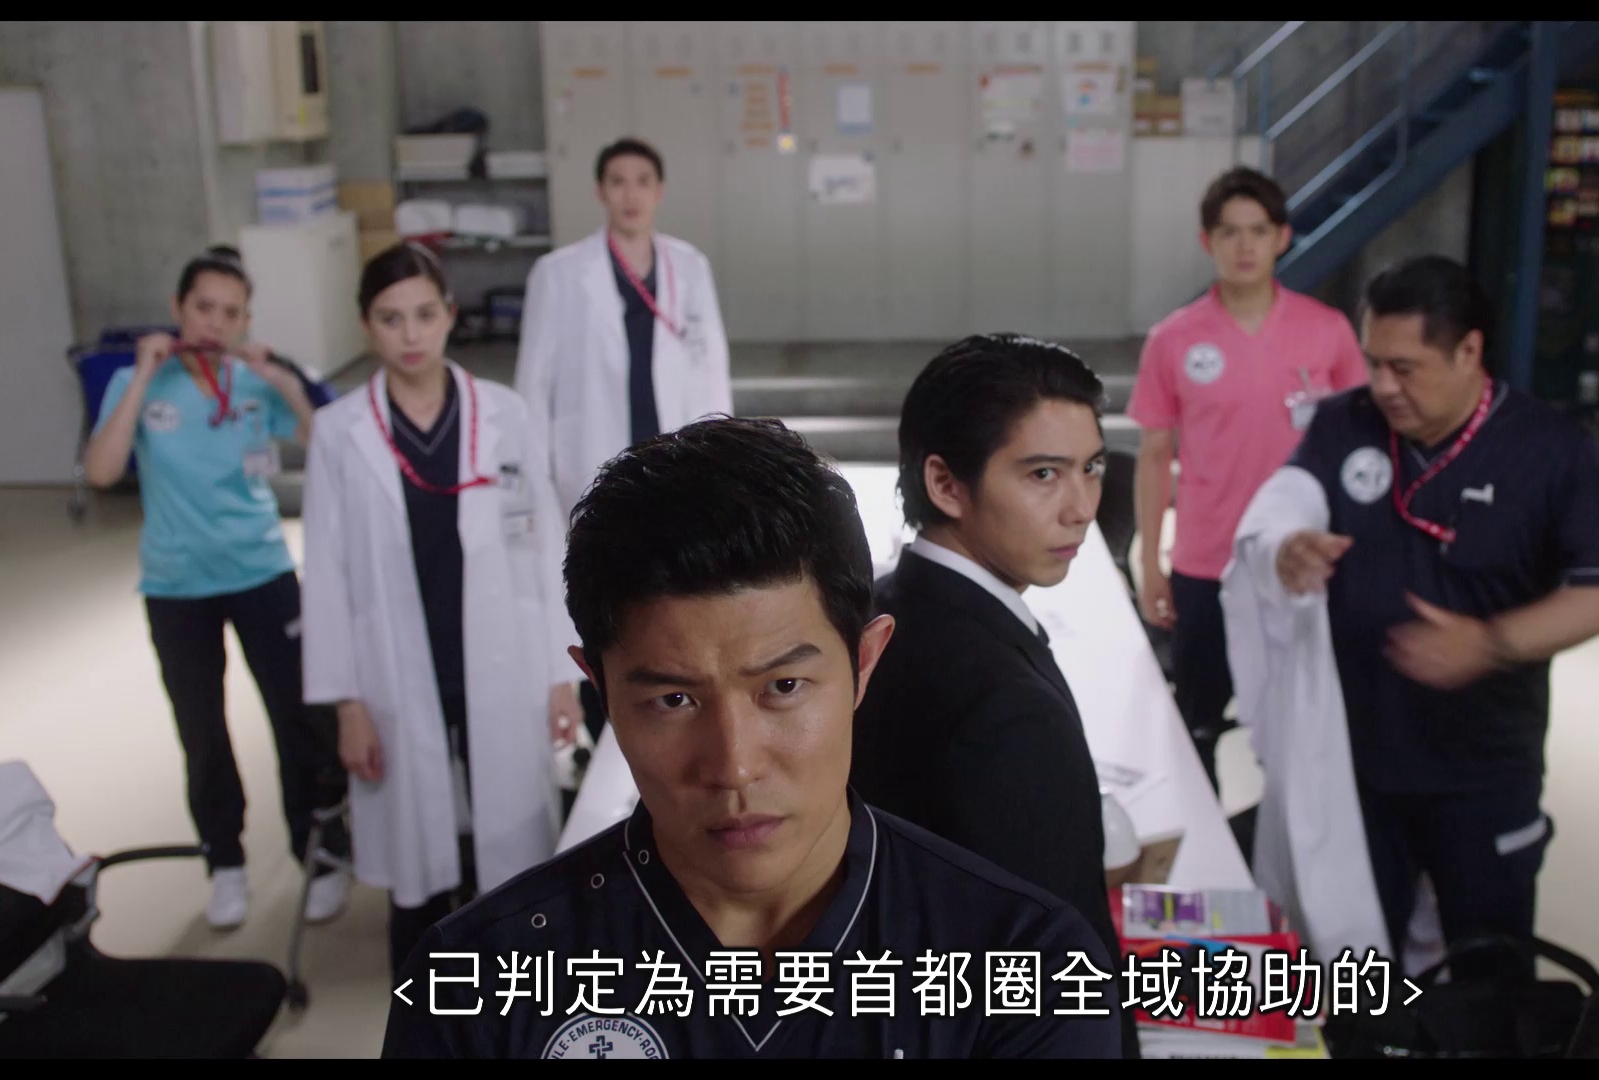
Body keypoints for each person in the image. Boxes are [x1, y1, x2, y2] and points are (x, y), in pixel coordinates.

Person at [381, 418, 1123, 1059]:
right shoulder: (476, 984)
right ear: (600, 689)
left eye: (784, 688)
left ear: (863, 665)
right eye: (673, 699)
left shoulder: (1027, 969)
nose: (734, 765)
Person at [1270, 255, 1599, 969]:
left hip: (1481, 773)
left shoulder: (1550, 451)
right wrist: (1283, 545)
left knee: (1487, 968)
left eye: (1404, 368)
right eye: (1374, 363)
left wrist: (1492, 642)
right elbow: (1286, 499)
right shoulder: (1346, 423)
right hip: (1358, 764)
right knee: (1357, 964)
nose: (1383, 386)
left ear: (1469, 351)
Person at [300, 242, 584, 979]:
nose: (411, 334)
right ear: (366, 325)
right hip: (397, 662)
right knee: (419, 838)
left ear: (450, 315)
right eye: (391, 319)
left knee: (510, 829)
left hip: (501, 652)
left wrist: (561, 675)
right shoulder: (339, 432)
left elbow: (546, 547)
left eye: (425, 314)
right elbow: (325, 572)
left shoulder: (505, 414)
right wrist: (347, 705)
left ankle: (516, 983)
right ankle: (426, 991)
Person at [849, 334, 1137, 1057]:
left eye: (1092, 468)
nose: (1081, 508)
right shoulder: (1005, 706)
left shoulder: (883, 610)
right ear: (946, 484)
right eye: (1043, 474)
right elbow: (1055, 970)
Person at [82, 245, 350, 931]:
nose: (215, 323)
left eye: (231, 313)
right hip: (176, 584)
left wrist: (282, 379)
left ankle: (318, 856)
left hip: (262, 571)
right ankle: (224, 861)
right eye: (204, 307)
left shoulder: (252, 381)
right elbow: (102, 471)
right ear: (178, 308)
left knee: (299, 718)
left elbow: (330, 443)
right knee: (201, 730)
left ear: (245, 321)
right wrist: (143, 377)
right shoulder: (138, 381)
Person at [1127, 167, 1370, 793]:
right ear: (1207, 241)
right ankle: (1204, 843)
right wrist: (1152, 563)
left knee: (1305, 731)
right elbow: (1154, 456)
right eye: (1229, 232)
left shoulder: (1327, 331)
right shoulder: (1174, 339)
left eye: (1258, 231)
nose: (1244, 246)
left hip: (1304, 561)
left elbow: (1361, 452)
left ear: (1282, 237)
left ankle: (1285, 847)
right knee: (1197, 726)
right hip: (1208, 563)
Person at [514, 135, 733, 758]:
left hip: (673, 468)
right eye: (617, 181)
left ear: (658, 191)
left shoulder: (688, 267)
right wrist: (533, 476)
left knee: (674, 597)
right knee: (604, 598)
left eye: (642, 181)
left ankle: (667, 720)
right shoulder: (559, 273)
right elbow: (533, 385)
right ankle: (603, 722)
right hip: (589, 467)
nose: (630, 194)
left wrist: (722, 461)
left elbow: (712, 369)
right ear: (600, 192)